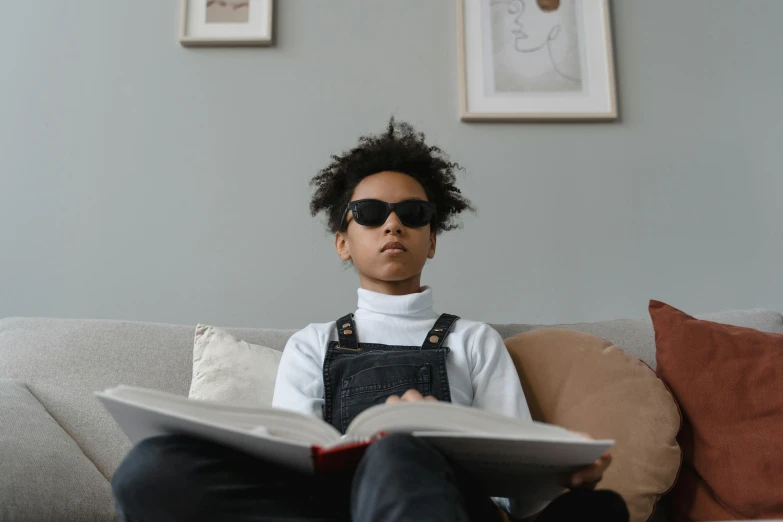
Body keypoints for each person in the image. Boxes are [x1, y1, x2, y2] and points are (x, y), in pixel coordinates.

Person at [111, 119, 629, 522]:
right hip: (330, 509)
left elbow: (516, 479)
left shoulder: (475, 341)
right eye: (371, 213)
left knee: (398, 454)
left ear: (432, 240)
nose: (394, 223)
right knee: (150, 469)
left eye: (414, 214)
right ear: (343, 241)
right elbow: (296, 462)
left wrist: (560, 474)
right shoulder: (312, 345)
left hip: (443, 503)